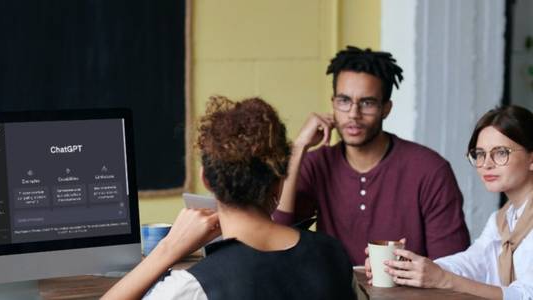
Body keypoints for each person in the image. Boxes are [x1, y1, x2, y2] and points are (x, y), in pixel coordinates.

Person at [103, 96, 357, 300]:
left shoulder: (194, 287)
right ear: (280, 180)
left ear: (206, 179)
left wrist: (167, 249)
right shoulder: (335, 255)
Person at [272, 46, 470, 265]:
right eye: (344, 101)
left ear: (386, 108)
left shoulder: (430, 170)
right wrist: (299, 148)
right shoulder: (317, 164)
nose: (353, 114)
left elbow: (452, 268)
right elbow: (277, 236)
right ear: (333, 104)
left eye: (367, 103)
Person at [367, 105, 533, 299]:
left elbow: (526, 295)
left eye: (501, 152)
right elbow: (472, 262)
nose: (487, 163)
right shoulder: (502, 219)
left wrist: (444, 279)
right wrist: (409, 268)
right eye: (480, 154)